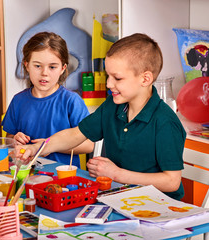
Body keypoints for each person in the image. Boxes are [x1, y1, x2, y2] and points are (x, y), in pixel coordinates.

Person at [16, 33, 186, 200]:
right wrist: (39, 148)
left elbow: (171, 181)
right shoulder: (113, 105)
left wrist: (116, 174)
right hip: (120, 198)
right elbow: (75, 134)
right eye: (108, 76)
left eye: (117, 78)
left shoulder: (165, 121)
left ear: (145, 78)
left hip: (158, 207)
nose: (108, 84)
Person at [2, 32, 94, 168]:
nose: (44, 73)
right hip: (28, 173)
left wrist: (49, 146)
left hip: (63, 178)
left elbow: (88, 145)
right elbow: (8, 138)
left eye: (52, 67)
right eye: (37, 66)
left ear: (62, 68)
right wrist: (14, 140)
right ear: (27, 65)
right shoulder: (18, 100)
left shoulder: (72, 101)